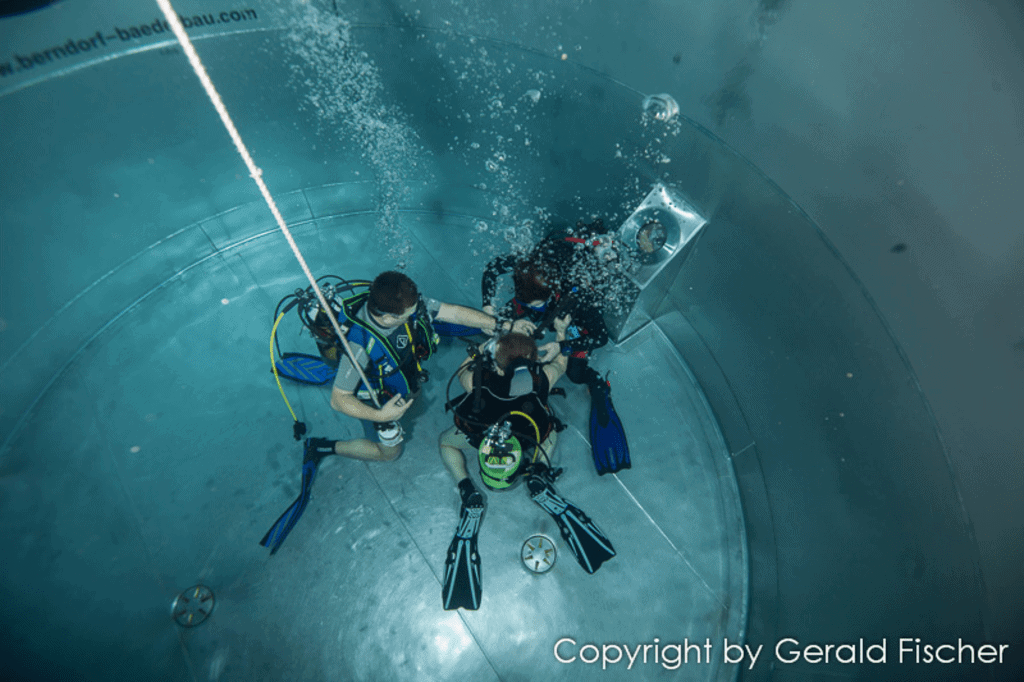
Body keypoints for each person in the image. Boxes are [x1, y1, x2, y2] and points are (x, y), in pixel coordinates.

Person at [438, 326, 615, 610]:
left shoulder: (478, 382)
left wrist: (481, 350)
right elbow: (561, 361)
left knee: (446, 442)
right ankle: (538, 473)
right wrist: (560, 336)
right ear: (532, 361)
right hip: (527, 438)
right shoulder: (542, 378)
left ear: (497, 361)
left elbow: (462, 373)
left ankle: (467, 488)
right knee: (552, 430)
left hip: (487, 439)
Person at [305, 270, 533, 463]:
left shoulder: (406, 305)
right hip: (377, 398)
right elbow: (339, 398)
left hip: (404, 375)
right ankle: (324, 447)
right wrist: (380, 415)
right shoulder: (359, 346)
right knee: (390, 454)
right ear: (386, 318)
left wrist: (504, 325)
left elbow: (451, 312)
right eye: (410, 313)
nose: (419, 312)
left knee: (412, 400)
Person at [480, 220, 630, 475]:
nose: (530, 310)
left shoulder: (581, 297)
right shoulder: (531, 262)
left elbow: (600, 337)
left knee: (576, 373)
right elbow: (492, 269)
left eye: (536, 305)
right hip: (551, 291)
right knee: (502, 322)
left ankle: (597, 385)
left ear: (553, 294)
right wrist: (489, 311)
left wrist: (562, 342)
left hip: (572, 319)